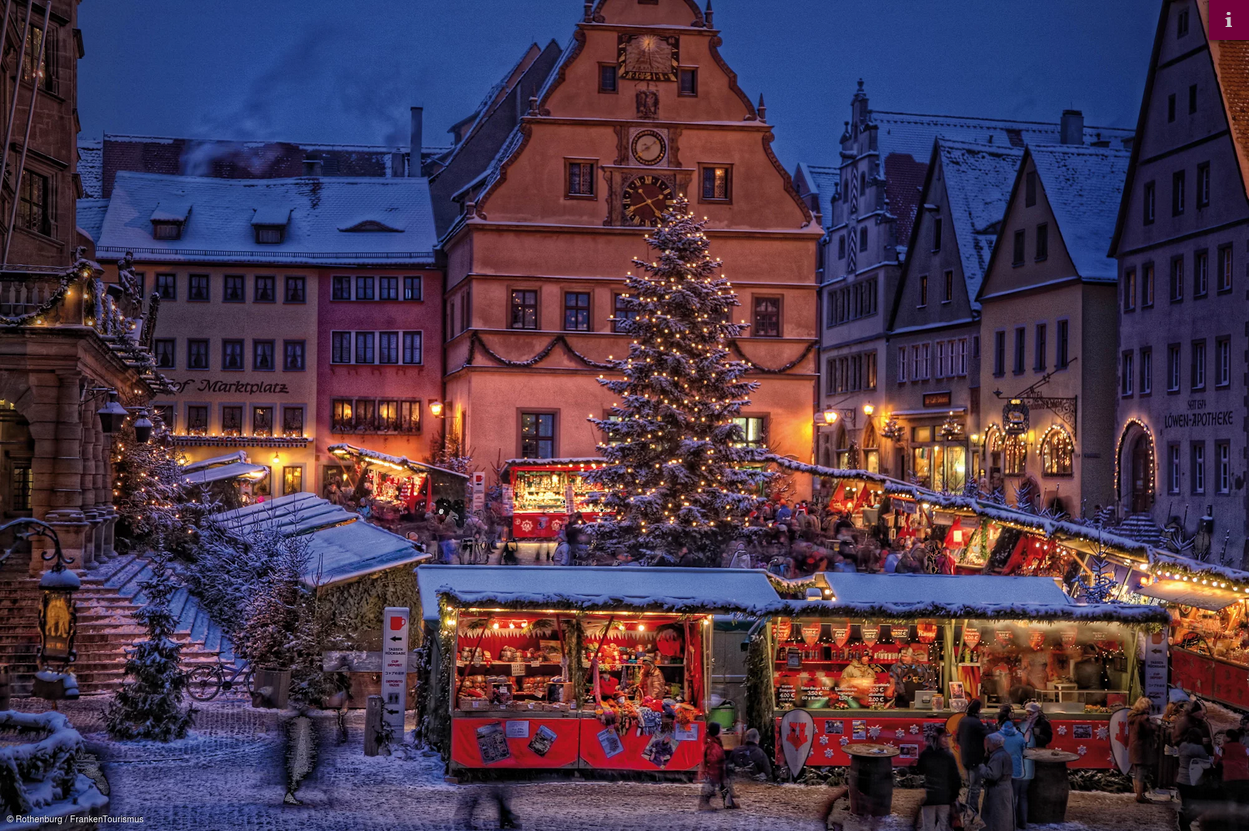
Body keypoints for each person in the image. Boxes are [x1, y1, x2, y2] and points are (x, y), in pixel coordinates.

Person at [916, 726, 961, 831]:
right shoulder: (948, 756)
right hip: (944, 796)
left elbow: (919, 770)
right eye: (944, 737)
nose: (946, 740)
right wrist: (954, 795)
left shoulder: (925, 754)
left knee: (928, 825)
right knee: (943, 825)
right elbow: (955, 778)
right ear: (938, 739)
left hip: (929, 795)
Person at [957, 699, 989, 820]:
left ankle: (968, 810)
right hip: (975, 758)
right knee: (974, 787)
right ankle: (972, 812)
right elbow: (989, 734)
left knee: (970, 785)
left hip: (965, 757)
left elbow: (958, 739)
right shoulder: (976, 723)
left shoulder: (963, 720)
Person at [997, 715, 1032, 829]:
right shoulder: (1019, 737)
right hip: (1017, 772)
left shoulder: (998, 737)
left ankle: (1006, 823)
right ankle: (1019, 823)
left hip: (1003, 772)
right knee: (1016, 797)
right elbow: (1023, 750)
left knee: (1004, 798)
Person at [1175, 728, 1211, 831]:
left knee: (1185, 804)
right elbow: (1206, 763)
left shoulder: (1182, 745)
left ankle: (1183, 823)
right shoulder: (1198, 748)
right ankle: (1186, 822)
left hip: (1181, 778)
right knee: (1199, 804)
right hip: (1193, 780)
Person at [979, 732, 1016, 831]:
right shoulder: (1004, 754)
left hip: (997, 792)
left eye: (988, 744)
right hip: (1005, 789)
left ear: (994, 744)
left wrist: (982, 767)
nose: (987, 746)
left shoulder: (998, 757)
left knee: (997, 818)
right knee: (1004, 817)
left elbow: (992, 775)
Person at [698, 721, 736, 811]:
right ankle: (703, 804)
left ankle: (729, 803)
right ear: (716, 732)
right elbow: (713, 759)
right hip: (714, 771)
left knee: (723, 786)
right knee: (710, 788)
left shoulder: (714, 742)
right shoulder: (714, 745)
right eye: (720, 729)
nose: (722, 731)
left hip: (717, 770)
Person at [1126, 696, 1157, 804]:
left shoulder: (1132, 717)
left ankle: (1137, 792)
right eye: (1148, 707)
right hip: (1142, 747)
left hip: (1135, 746)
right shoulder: (1143, 718)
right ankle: (1140, 795)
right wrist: (1154, 724)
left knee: (1136, 770)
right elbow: (1148, 730)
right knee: (1141, 771)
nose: (1149, 709)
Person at [1220, 728, 1249, 806]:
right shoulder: (1245, 749)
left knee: (1231, 802)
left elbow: (1216, 762)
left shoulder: (1222, 749)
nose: (1223, 738)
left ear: (1229, 738)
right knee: (1243, 803)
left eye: (1225, 736)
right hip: (1245, 778)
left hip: (1230, 779)